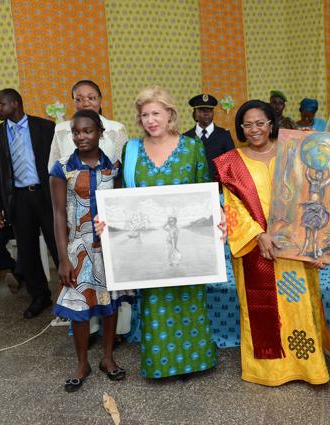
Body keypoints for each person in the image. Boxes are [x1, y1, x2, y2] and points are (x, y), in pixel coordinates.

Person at [214, 100, 330, 386]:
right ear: (241, 128)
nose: (255, 129)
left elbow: (314, 192)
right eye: (247, 124)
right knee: (262, 308)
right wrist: (257, 235)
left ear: (271, 124)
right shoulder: (231, 163)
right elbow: (231, 207)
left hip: (294, 245)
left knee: (298, 304)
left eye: (260, 123)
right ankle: (269, 371)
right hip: (256, 248)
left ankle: (307, 367)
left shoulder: (294, 152)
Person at [116, 86, 219, 379]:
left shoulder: (191, 148)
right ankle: (161, 364)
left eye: (156, 113)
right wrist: (112, 221)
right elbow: (125, 198)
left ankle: (196, 361)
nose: (150, 120)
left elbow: (206, 194)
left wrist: (216, 219)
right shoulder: (132, 150)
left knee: (189, 296)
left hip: (186, 243)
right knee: (156, 300)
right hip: (149, 245)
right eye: (145, 114)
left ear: (170, 114)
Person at [50, 109, 132, 393]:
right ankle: (82, 362)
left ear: (100, 133)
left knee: (109, 303)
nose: (81, 137)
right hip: (78, 248)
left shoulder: (114, 168)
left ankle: (107, 358)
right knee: (79, 306)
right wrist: (62, 258)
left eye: (87, 131)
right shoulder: (62, 168)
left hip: (109, 248)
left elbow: (122, 206)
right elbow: (59, 215)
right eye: (76, 132)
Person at [0, 88, 59, 319]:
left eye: (0, 104)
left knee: (58, 245)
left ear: (15, 103)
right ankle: (40, 296)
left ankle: (72, 295)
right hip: (18, 199)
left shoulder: (46, 127)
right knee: (27, 251)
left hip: (46, 195)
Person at [48, 80, 129, 170]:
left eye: (91, 98)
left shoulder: (116, 129)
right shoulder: (60, 130)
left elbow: (126, 168)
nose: (86, 104)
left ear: (100, 100)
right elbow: (53, 167)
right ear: (73, 102)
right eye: (79, 99)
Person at [183, 94, 235, 179]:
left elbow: (232, 164)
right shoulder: (186, 137)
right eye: (201, 110)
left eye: (209, 110)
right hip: (194, 187)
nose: (206, 113)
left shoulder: (224, 135)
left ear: (213, 113)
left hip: (218, 187)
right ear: (195, 113)